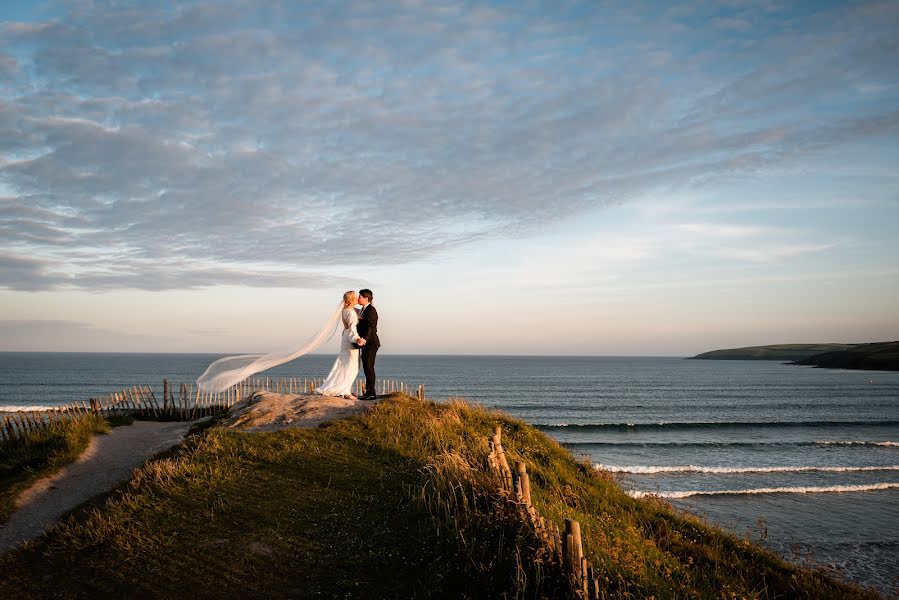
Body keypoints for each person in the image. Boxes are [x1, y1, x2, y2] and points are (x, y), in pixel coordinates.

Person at [314, 291, 366, 399]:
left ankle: (345, 389)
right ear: (351, 300)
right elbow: (352, 328)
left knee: (344, 364)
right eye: (355, 297)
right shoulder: (351, 313)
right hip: (350, 339)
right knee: (352, 366)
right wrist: (357, 339)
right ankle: (344, 391)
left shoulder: (345, 310)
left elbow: (349, 324)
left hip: (345, 338)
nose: (357, 298)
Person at [356, 289, 380, 400]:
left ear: (366, 298)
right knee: (367, 367)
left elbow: (370, 327)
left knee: (369, 367)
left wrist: (364, 339)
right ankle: (369, 392)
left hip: (371, 343)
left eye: (360, 297)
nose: (358, 298)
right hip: (367, 344)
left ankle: (371, 393)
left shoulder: (370, 310)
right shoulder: (363, 310)